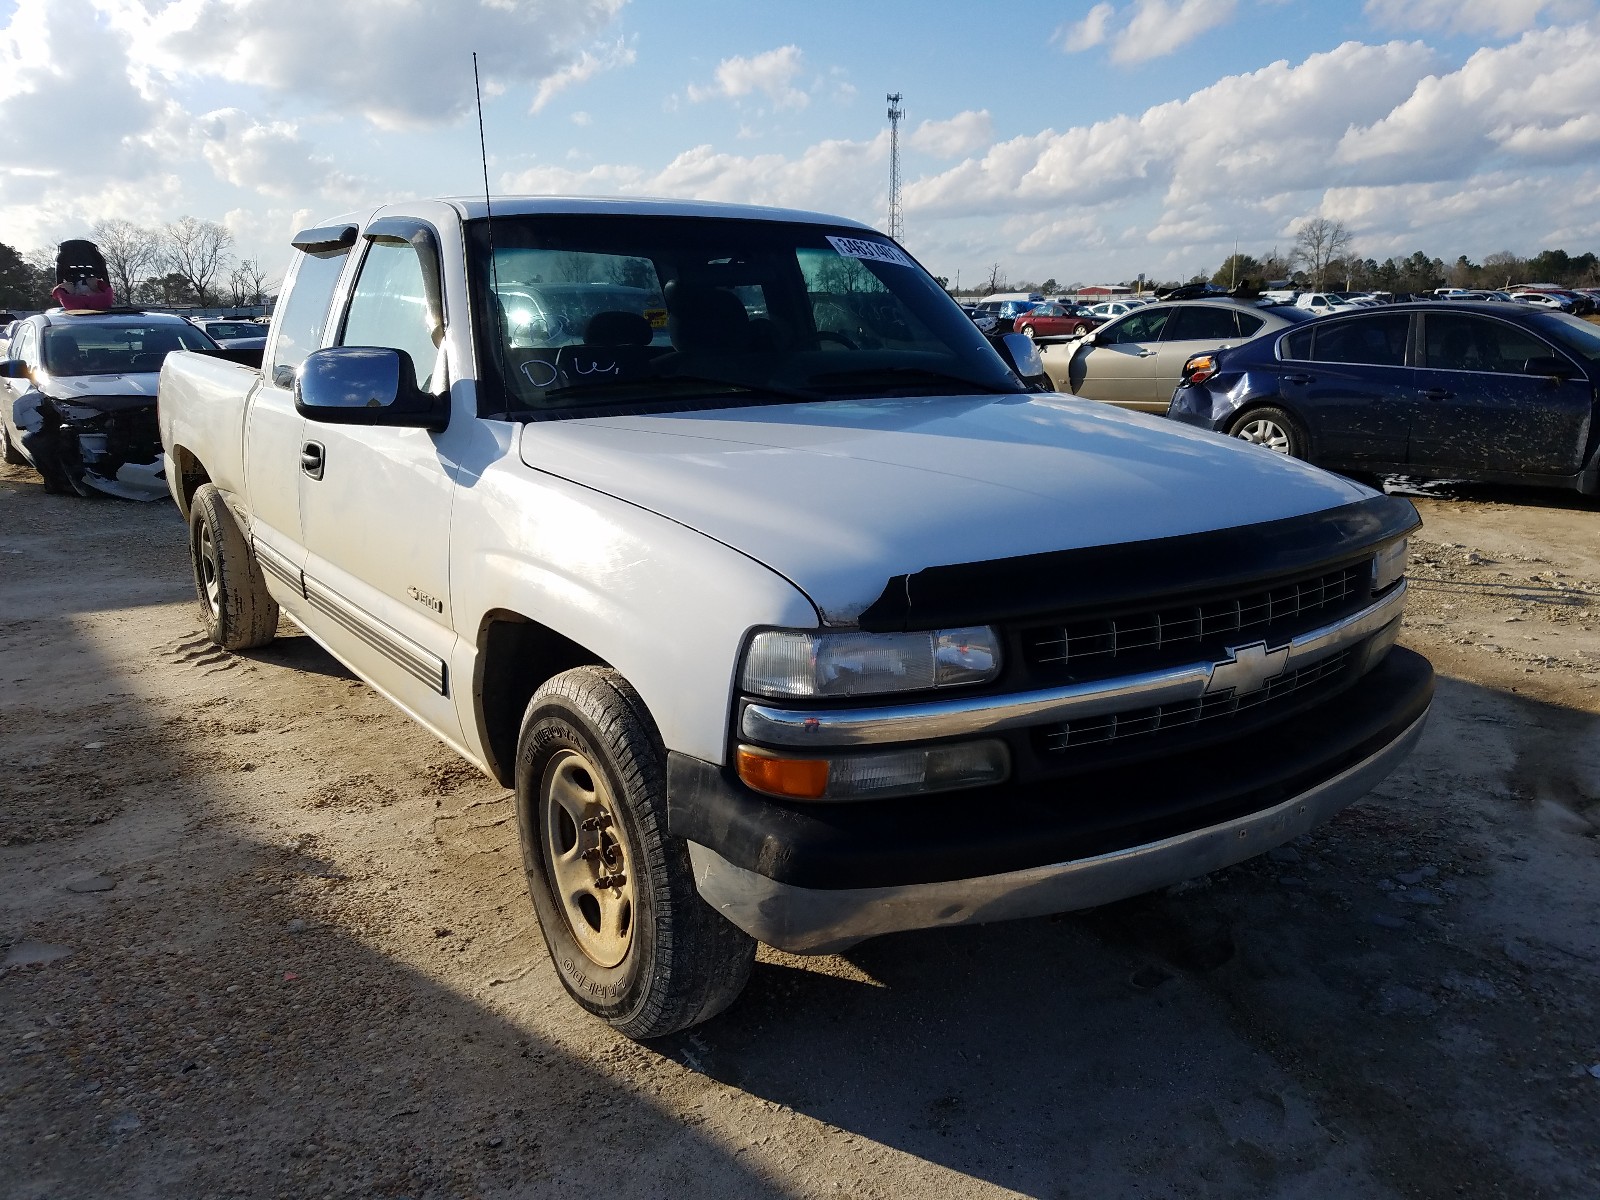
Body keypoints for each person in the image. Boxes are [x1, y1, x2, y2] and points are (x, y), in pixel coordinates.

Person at [52, 239, 115, 310]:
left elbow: (61, 297)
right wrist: (99, 287)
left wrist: (62, 291)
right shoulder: (102, 296)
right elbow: (106, 297)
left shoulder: (71, 298)